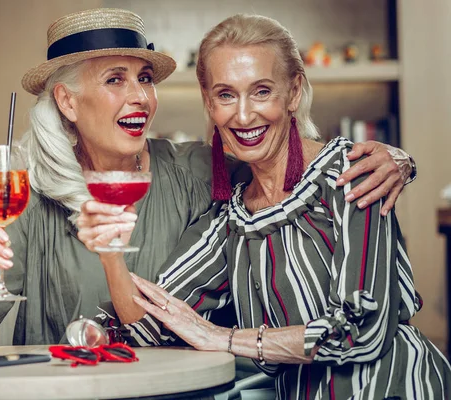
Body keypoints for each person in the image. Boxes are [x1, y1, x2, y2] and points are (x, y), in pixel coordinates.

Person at [0, 8, 414, 350]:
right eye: (116, 79)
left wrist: (396, 157)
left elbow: (284, 155)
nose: (140, 97)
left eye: (146, 79)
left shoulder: (196, 170)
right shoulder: (31, 194)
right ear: (68, 102)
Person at [78, 14, 450, 398]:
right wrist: (111, 255)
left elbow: (359, 332)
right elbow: (154, 323)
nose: (242, 115)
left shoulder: (355, 174)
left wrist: (222, 338)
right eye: (225, 95)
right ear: (208, 102)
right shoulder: (230, 220)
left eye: (261, 91)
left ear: (293, 92)